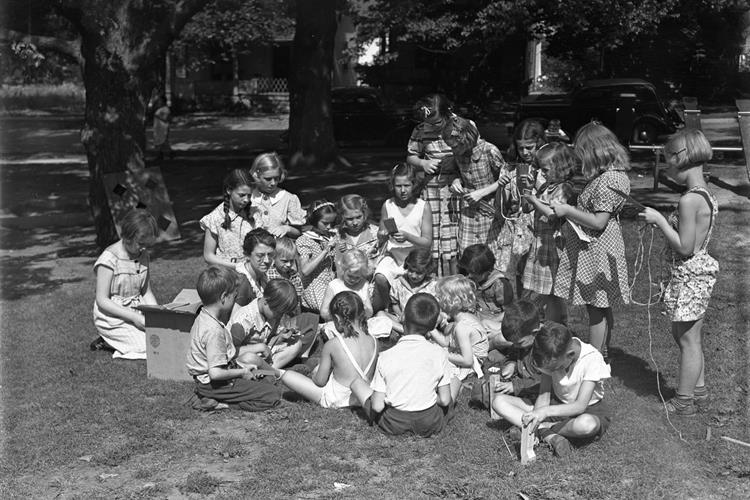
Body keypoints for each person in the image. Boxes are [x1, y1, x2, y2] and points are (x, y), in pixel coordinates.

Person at [638, 129, 718, 416]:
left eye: (668, 160)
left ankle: (684, 402)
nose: (667, 167)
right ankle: (699, 391)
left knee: (687, 339)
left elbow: (685, 247)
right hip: (697, 274)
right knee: (688, 336)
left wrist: (660, 219)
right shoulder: (704, 193)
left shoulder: (688, 200)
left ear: (682, 157)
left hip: (690, 275)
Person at [549, 122, 631, 360]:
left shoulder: (609, 181)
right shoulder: (611, 176)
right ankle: (603, 351)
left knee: (596, 307)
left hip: (597, 249)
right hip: (596, 247)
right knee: (600, 304)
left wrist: (567, 211)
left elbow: (598, 222)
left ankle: (594, 359)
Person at [491, 322, 612, 458]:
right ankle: (544, 432)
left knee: (586, 425)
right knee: (498, 401)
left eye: (555, 368)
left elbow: (580, 405)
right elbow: (544, 394)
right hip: (556, 405)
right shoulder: (551, 355)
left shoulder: (592, 359)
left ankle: (543, 429)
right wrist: (537, 414)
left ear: (570, 355)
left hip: (586, 410)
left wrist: (544, 412)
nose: (553, 372)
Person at [350, 293, 454, 437]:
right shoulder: (439, 353)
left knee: (357, 383)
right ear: (432, 326)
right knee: (455, 383)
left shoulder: (386, 356)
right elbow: (444, 399)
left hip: (394, 423)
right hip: (429, 423)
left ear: (403, 317)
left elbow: (377, 406)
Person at [186, 266, 282, 412]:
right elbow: (216, 373)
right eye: (234, 296)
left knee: (268, 379)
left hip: (220, 376)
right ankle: (217, 403)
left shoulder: (204, 317)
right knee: (272, 395)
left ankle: (209, 397)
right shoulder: (213, 330)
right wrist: (242, 373)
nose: (236, 300)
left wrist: (242, 369)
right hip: (216, 384)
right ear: (224, 297)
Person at [270, 291, 377, 408]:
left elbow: (320, 382)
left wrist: (315, 374)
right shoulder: (374, 341)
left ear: (337, 318)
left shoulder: (333, 344)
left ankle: (273, 371)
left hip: (336, 399)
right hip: (362, 397)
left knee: (290, 375)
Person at [488, 119, 546, 294]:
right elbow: (502, 208)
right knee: (519, 272)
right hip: (516, 225)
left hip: (539, 224)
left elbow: (551, 198)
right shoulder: (510, 167)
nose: (525, 152)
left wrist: (534, 183)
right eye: (521, 148)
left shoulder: (546, 167)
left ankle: (540, 315)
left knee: (538, 273)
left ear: (540, 144)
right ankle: (522, 310)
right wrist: (502, 187)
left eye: (530, 147)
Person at [521, 141, 576, 324]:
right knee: (547, 290)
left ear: (560, 167)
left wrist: (534, 199)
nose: (541, 174)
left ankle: (555, 324)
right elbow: (527, 208)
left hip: (553, 243)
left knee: (552, 290)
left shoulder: (564, 188)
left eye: (545, 170)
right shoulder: (546, 186)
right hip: (541, 241)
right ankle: (554, 323)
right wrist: (528, 191)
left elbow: (553, 215)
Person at [92, 209, 158, 359]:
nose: (144, 248)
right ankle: (108, 340)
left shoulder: (143, 255)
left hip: (137, 310)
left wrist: (156, 315)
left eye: (147, 245)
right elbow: (102, 300)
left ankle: (116, 340)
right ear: (127, 237)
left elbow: (146, 291)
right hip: (113, 316)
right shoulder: (109, 259)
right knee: (147, 347)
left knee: (159, 338)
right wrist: (133, 317)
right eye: (141, 244)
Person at [406, 93, 459, 276]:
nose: (433, 127)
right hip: (432, 190)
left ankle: (455, 281)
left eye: (437, 123)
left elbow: (473, 151)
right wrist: (423, 164)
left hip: (455, 188)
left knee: (454, 237)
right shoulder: (420, 129)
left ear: (448, 112)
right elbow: (411, 155)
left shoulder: (461, 126)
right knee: (433, 236)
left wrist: (455, 163)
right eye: (430, 123)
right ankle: (432, 279)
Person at [372, 163, 432, 312]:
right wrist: (382, 235)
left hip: (415, 256)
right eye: (398, 186)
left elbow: (427, 242)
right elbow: (381, 237)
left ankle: (411, 310)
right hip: (393, 254)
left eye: (407, 185)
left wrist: (407, 236)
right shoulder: (388, 205)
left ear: (414, 184)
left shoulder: (422, 206)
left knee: (414, 281)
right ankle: (389, 308)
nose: (403, 190)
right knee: (380, 276)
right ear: (393, 185)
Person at [442, 116, 506, 253]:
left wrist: (482, 192)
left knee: (490, 253)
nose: (453, 151)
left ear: (466, 139)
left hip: (490, 212)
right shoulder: (459, 153)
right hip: (468, 212)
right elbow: (455, 171)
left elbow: (506, 179)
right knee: (468, 254)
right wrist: (455, 181)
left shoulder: (489, 151)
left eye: (454, 147)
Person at [432, 275, 489, 400]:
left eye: (439, 297)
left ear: (451, 301)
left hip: (472, 361)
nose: (436, 299)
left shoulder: (461, 327)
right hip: (462, 353)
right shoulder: (459, 320)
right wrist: (431, 330)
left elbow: (467, 360)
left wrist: (444, 354)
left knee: (438, 363)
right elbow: (447, 342)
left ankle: (448, 393)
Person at [228, 279, 304, 369]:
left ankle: (269, 371)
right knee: (250, 358)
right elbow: (229, 351)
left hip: (262, 355)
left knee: (296, 344)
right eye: (278, 312)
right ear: (266, 302)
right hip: (243, 359)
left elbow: (268, 341)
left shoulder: (271, 315)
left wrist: (280, 337)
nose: (280, 316)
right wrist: (259, 347)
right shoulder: (244, 319)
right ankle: (267, 372)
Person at [201, 169, 257, 268]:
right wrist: (236, 266)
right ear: (229, 190)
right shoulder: (214, 218)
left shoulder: (255, 214)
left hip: (252, 272)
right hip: (225, 274)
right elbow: (208, 255)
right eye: (241, 195)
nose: (246, 200)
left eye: (249, 195)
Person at [249, 152, 306, 238]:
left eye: (276, 178)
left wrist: (287, 229)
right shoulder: (248, 197)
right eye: (268, 179)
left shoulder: (288, 198)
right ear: (257, 175)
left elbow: (299, 232)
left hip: (279, 248)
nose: (273, 183)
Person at [295, 200, 338, 312]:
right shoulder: (305, 240)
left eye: (332, 223)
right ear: (315, 220)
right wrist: (325, 251)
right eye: (325, 223)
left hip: (333, 281)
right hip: (315, 285)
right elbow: (305, 270)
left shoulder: (333, 235)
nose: (329, 227)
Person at [458, 243, 514, 321]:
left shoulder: (500, 285)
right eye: (468, 271)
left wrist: (492, 322)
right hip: (475, 318)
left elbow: (509, 311)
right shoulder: (472, 279)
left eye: (473, 273)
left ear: (488, 270)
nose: (470, 275)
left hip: (494, 323)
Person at [320, 249, 373, 321]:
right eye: (350, 276)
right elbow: (324, 312)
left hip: (357, 323)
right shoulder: (334, 285)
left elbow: (370, 311)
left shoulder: (363, 285)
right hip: (338, 323)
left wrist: (365, 309)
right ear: (343, 269)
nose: (353, 280)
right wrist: (336, 319)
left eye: (357, 277)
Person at [335, 194, 381, 274]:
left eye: (358, 217)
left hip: (371, 281)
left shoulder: (375, 233)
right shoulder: (337, 236)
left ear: (365, 214)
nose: (355, 223)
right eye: (350, 219)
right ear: (342, 217)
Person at [235, 228, 275, 303]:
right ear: (247, 255)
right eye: (260, 255)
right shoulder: (242, 282)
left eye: (270, 255)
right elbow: (237, 314)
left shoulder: (262, 276)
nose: (267, 260)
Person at [266, 236, 304, 312]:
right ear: (274, 257)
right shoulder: (268, 275)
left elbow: (299, 298)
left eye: (291, 261)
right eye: (284, 261)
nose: (289, 265)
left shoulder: (294, 276)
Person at [152, 96, 174, 161]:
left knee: (164, 142)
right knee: (159, 142)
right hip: (158, 128)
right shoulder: (160, 109)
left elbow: (166, 118)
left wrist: (157, 116)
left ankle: (169, 154)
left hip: (163, 128)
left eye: (160, 101)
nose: (158, 102)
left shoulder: (165, 109)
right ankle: (161, 155)